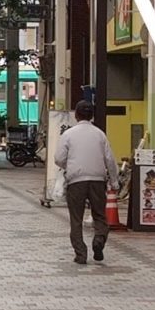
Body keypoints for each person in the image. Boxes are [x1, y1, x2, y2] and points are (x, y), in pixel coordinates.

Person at [54, 100, 118, 265]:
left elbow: (59, 159)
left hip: (76, 181)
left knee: (76, 219)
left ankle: (81, 254)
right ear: (92, 116)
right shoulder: (99, 134)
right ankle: (99, 239)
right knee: (100, 216)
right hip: (98, 180)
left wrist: (70, 165)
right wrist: (114, 181)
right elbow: (110, 159)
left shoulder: (68, 134)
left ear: (76, 115)